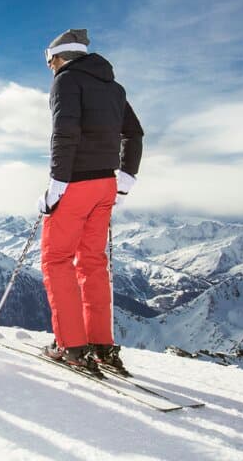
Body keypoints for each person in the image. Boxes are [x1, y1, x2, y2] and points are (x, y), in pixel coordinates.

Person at [38, 28, 143, 372]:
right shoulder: (114, 88)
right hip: (106, 186)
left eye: (48, 61)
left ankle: (71, 345)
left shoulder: (66, 82)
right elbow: (134, 133)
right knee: (93, 263)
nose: (49, 68)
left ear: (58, 56)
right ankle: (101, 343)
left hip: (76, 185)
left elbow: (65, 132)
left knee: (57, 261)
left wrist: (57, 182)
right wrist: (126, 177)